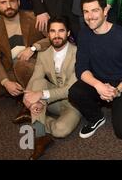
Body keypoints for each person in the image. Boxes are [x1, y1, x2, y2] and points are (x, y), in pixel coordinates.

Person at [0, 0, 49, 124]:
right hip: (10, 70)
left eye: (12, 1)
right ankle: (21, 90)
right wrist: (6, 82)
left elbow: (52, 38)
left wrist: (33, 48)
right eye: (3, 2)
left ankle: (29, 102)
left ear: (18, 2)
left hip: (31, 66)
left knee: (22, 65)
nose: (8, 6)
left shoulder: (33, 17)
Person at [68, 0, 122, 140]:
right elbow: (80, 67)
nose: (90, 16)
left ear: (105, 11)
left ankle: (115, 104)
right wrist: (98, 85)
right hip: (97, 81)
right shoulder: (84, 34)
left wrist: (116, 91)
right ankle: (97, 117)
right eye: (86, 11)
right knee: (75, 92)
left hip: (121, 84)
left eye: (95, 10)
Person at [23, 17, 81, 160]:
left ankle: (35, 117)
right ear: (48, 34)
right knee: (37, 83)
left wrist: (40, 95)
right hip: (53, 101)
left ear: (68, 33)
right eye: (52, 31)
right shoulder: (43, 54)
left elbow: (70, 89)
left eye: (61, 31)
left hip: (73, 102)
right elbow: (36, 78)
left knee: (60, 131)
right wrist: (28, 97)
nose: (56, 35)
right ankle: (40, 136)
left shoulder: (78, 54)